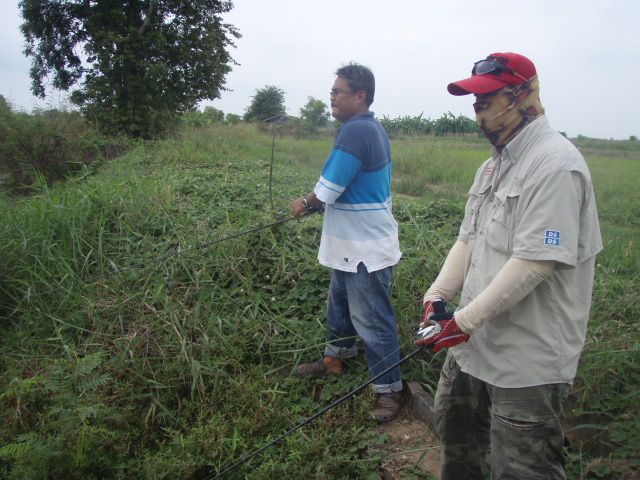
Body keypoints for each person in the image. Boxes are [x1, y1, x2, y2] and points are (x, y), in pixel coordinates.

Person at [415, 52, 602, 479]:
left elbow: (537, 262)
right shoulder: (491, 167)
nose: (477, 110)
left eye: (487, 99)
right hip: (472, 348)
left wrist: (461, 320)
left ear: (522, 96)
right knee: (458, 447)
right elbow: (468, 239)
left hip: (526, 360)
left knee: (522, 467)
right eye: (474, 101)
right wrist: (437, 297)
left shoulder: (556, 165)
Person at [291, 62, 403, 423]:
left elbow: (330, 187)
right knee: (339, 306)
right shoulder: (367, 128)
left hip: (365, 250)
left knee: (372, 320)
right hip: (349, 245)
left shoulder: (356, 131)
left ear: (360, 96)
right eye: (332, 92)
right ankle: (335, 358)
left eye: (338, 92)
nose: (332, 98)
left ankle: (390, 392)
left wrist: (306, 204)